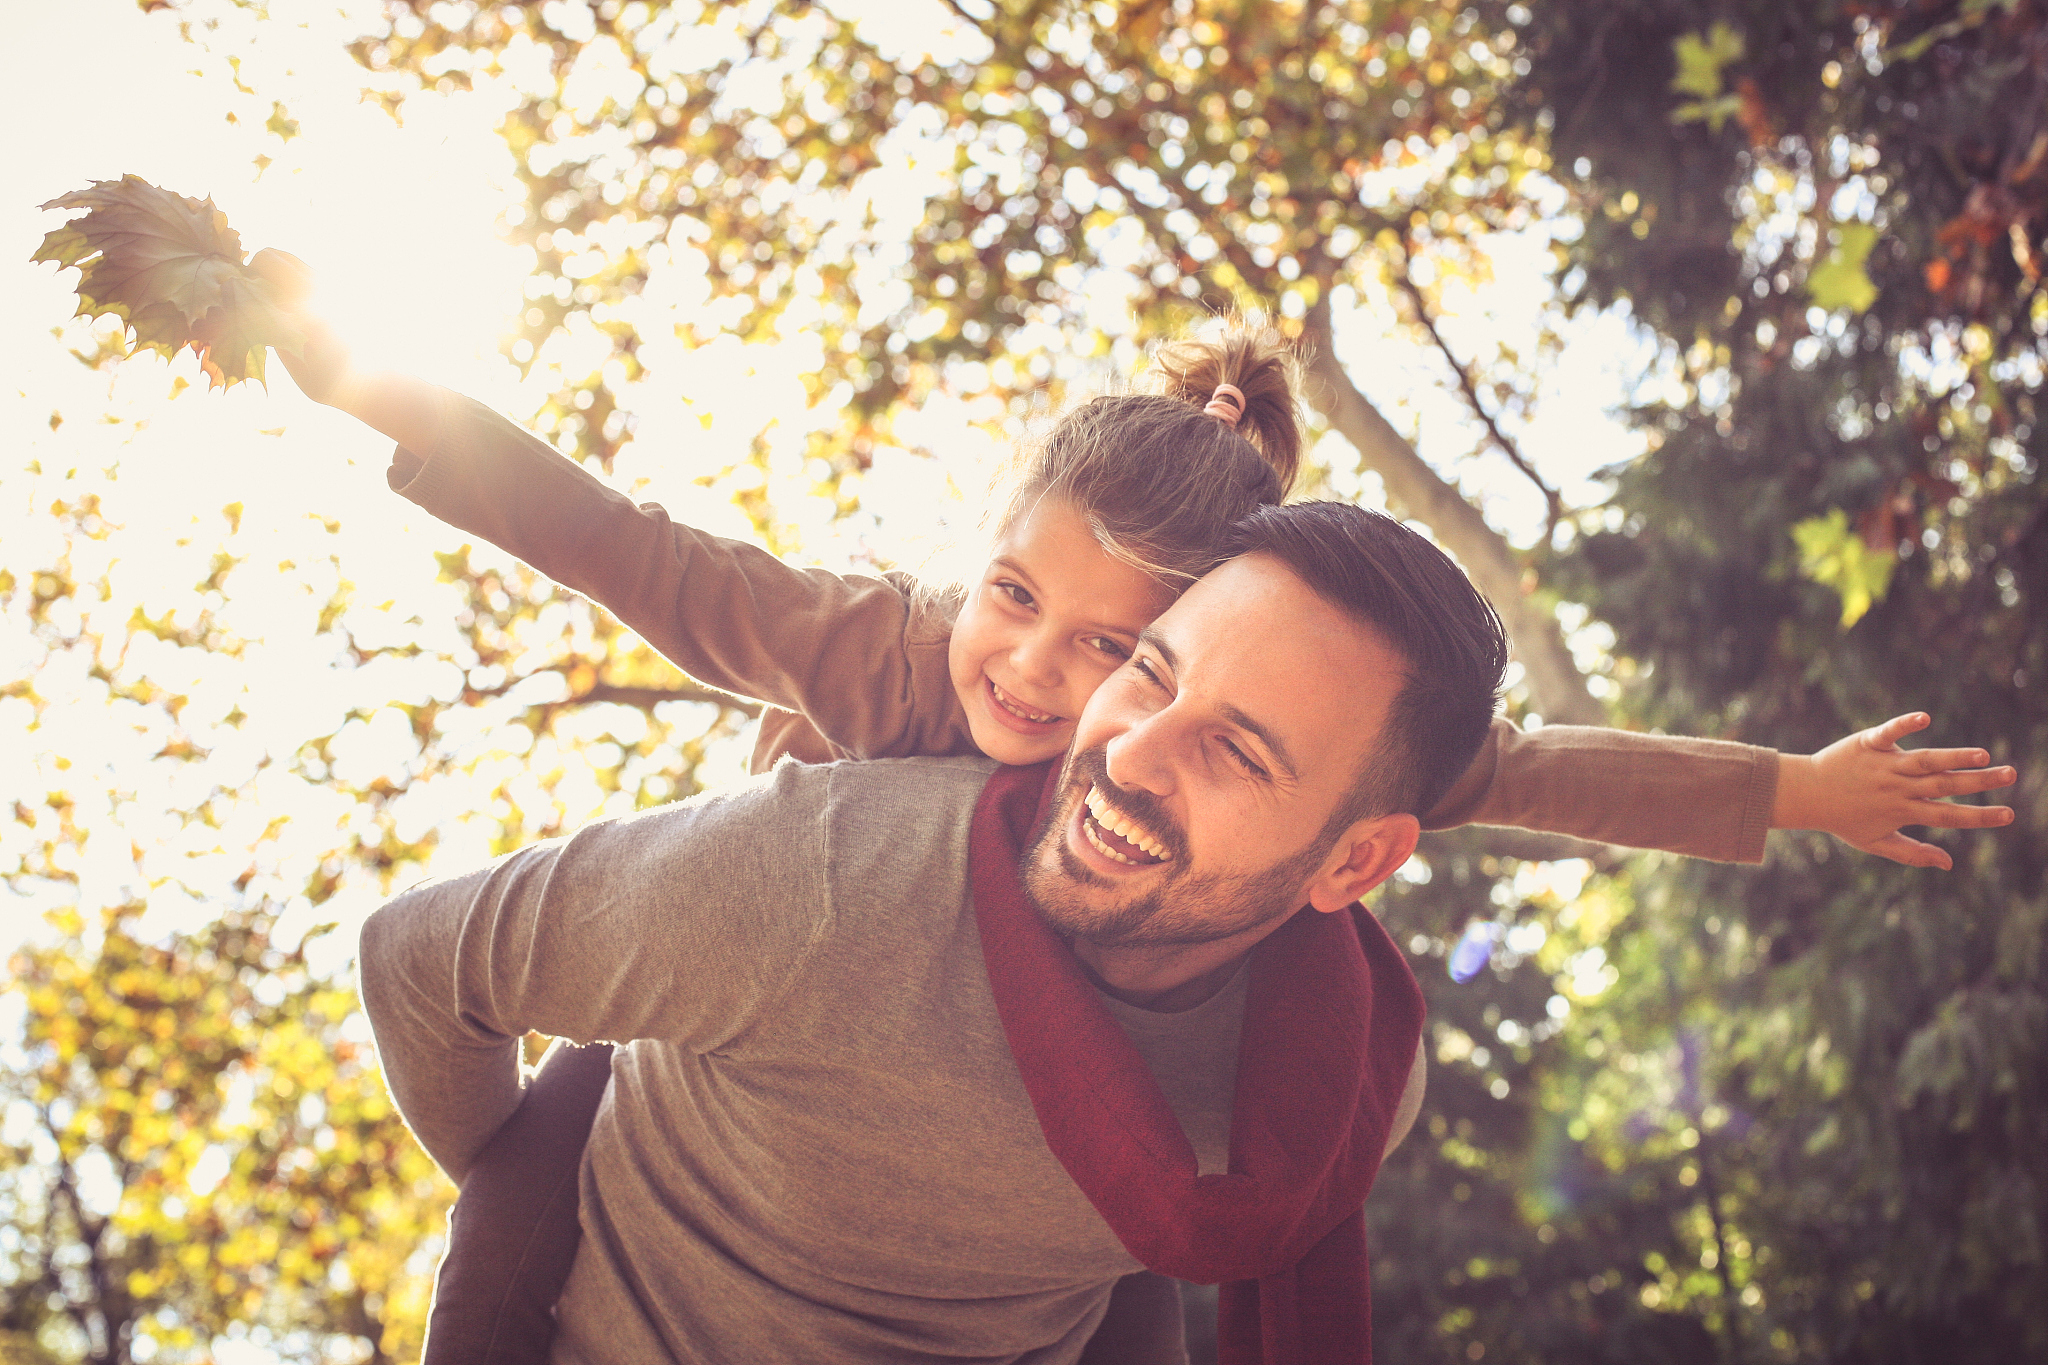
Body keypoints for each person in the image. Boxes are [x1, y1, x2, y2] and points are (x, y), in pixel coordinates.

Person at [256, 253, 2017, 1359]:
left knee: (1141, 1280)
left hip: (1061, 1145)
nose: (1035, 678)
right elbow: (630, 550)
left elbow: (1545, 772)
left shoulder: (1300, 777)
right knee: (508, 1210)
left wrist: (1794, 787)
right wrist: (373, 385)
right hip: (726, 1045)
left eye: (1121, 644)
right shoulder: (882, 660)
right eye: (1012, 597)